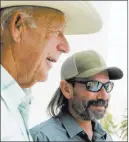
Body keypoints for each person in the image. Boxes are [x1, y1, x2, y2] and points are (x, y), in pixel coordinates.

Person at [1, 1, 103, 141]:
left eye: (107, 85)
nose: (66, 47)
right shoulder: (42, 135)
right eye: (57, 31)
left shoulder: (14, 107)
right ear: (19, 26)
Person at [30, 50, 123, 141]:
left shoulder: (106, 138)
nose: (104, 95)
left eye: (107, 86)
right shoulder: (41, 137)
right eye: (93, 85)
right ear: (67, 89)